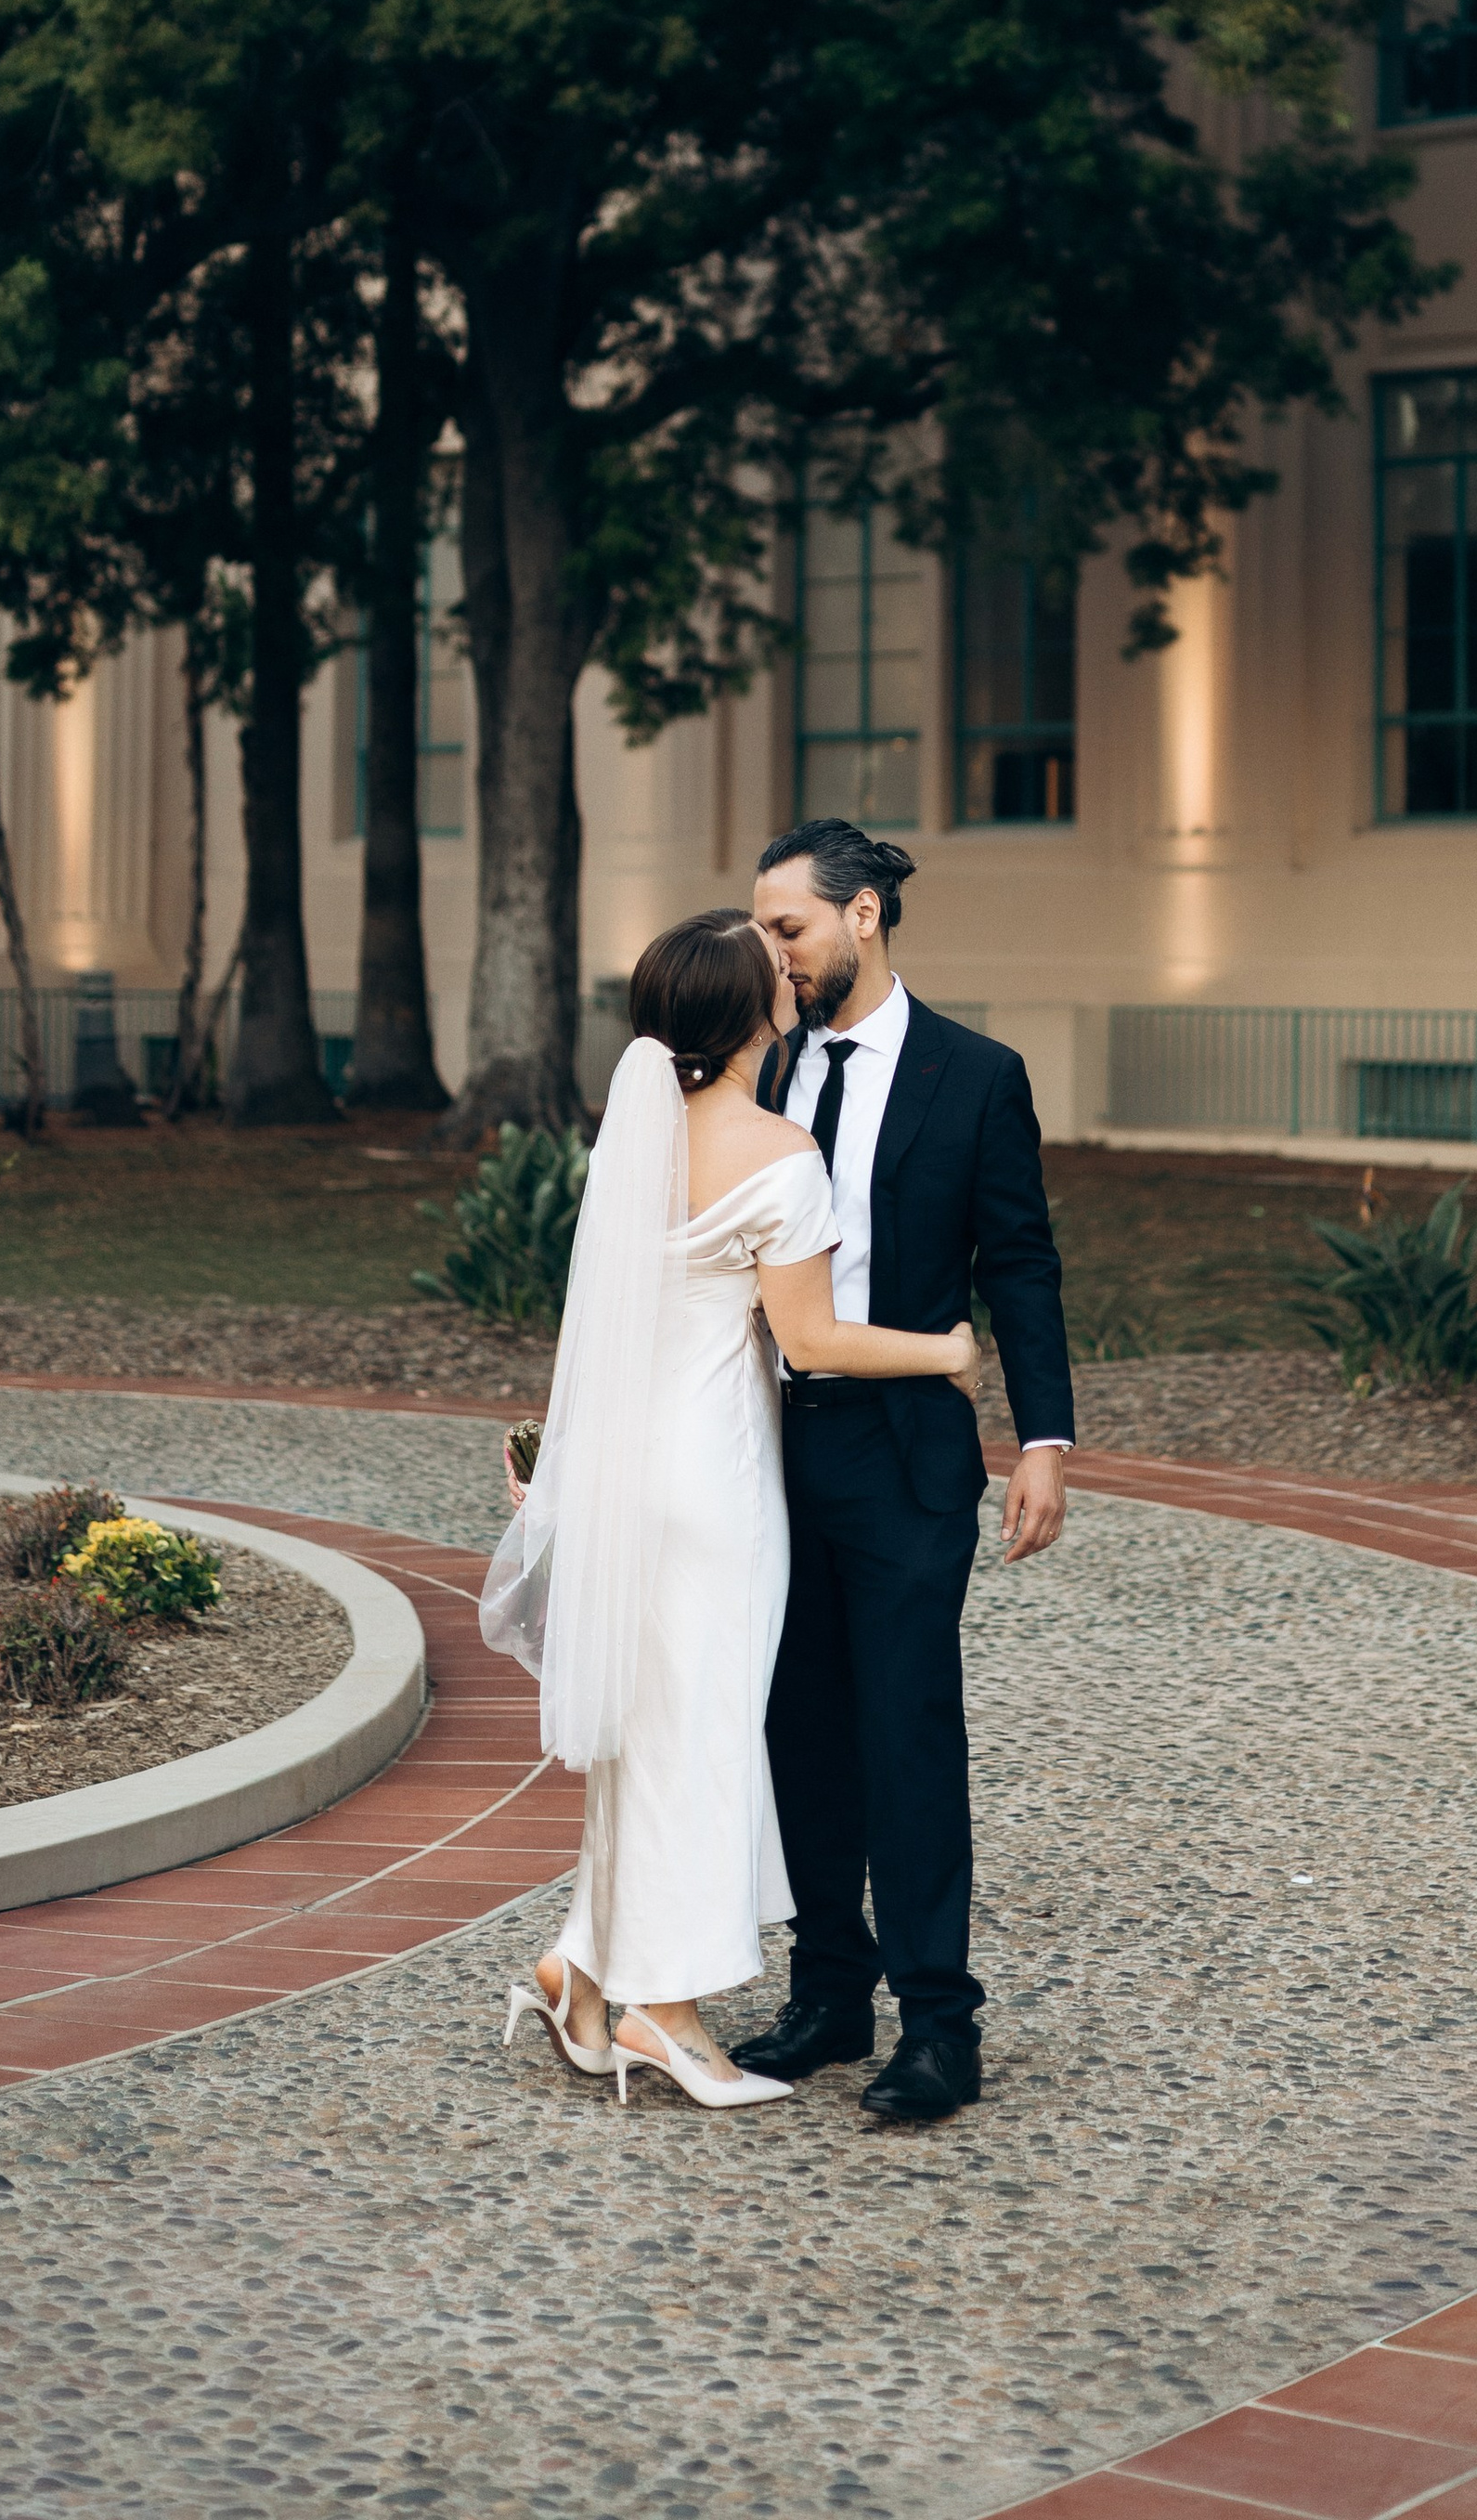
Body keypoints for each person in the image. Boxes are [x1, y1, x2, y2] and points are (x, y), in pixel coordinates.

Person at [480, 906, 979, 2113]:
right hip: (713, 1484)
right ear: (755, 1011)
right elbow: (808, 1339)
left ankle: (581, 1968)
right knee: (699, 1741)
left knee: (647, 1733)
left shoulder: (638, 1143)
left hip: (625, 1474)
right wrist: (945, 1348)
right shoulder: (774, 1152)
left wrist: (560, 1477)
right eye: (772, 968)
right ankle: (668, 2010)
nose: (789, 970)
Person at [735, 820, 1073, 2125]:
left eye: (790, 926)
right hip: (767, 1444)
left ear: (864, 914)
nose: (773, 950)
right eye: (765, 929)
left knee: (907, 1731)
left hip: (907, 1453)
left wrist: (1043, 1438)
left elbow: (1021, 1265)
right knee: (799, 1729)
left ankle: (942, 2023)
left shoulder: (976, 1074)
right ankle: (830, 1993)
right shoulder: (752, 1071)